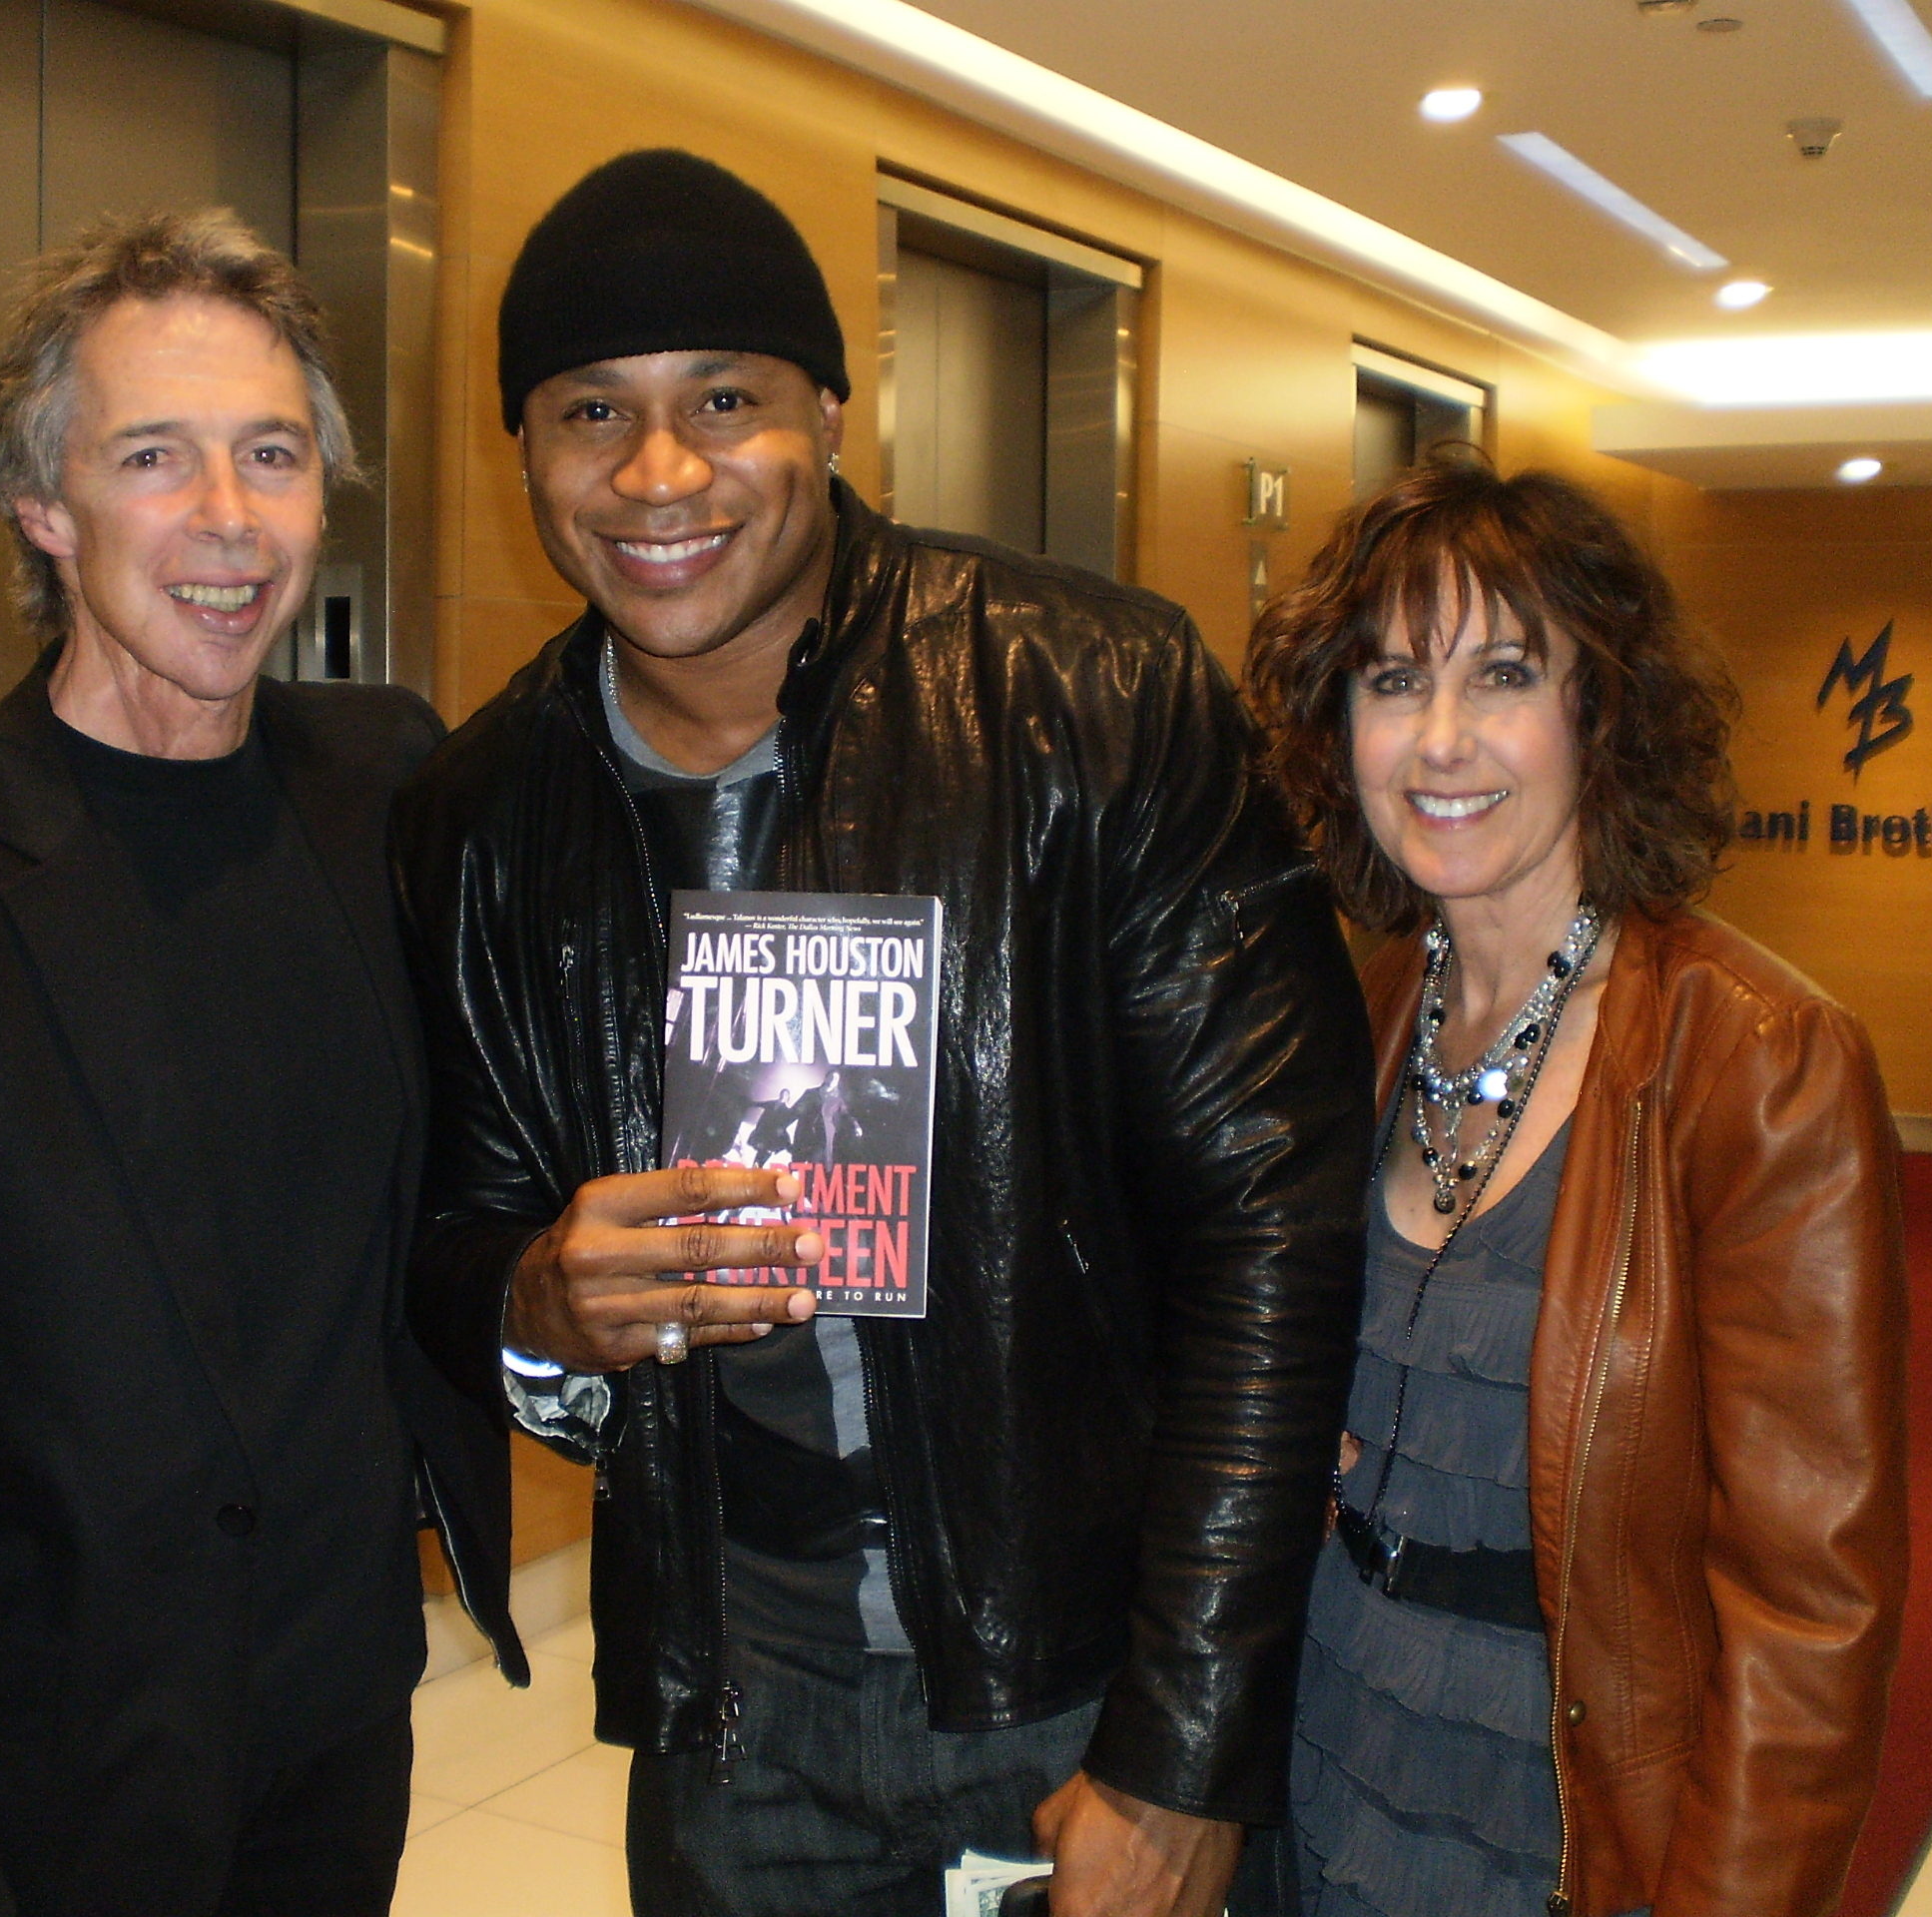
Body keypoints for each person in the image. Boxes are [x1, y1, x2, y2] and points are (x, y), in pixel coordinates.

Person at [391, 149, 1375, 1917]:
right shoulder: (486, 808)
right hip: (732, 1711)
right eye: (589, 411)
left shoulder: (1090, 696)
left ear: (834, 416)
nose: (659, 471)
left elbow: (1273, 1222)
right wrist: (540, 1297)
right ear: (522, 449)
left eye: (727, 399)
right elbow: (457, 1236)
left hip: (1083, 1670)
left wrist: (1186, 1739)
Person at [0, 210, 518, 1917]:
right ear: (43, 507)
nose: (228, 519)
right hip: (40, 1782)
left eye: (272, 455)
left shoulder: (389, 788)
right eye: (156, 456)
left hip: (339, 1727)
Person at [1237, 458, 1907, 1917]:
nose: (1443, 739)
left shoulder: (1758, 1067)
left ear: (1598, 710)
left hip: (1563, 1829)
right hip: (1324, 1762)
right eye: (1394, 680)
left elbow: (1812, 1621)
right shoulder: (1359, 1012)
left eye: (1506, 674)